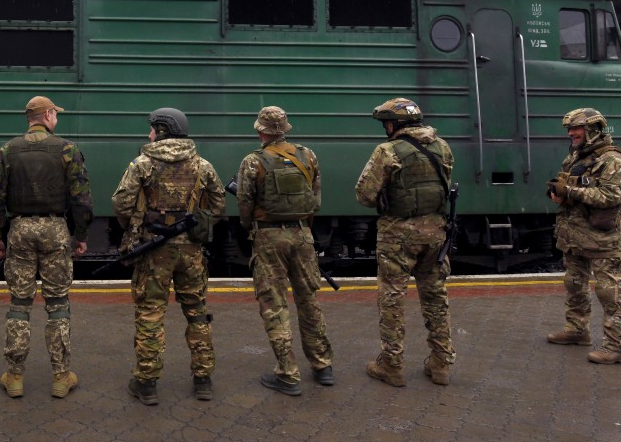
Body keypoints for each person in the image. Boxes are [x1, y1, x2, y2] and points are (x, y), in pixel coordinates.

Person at [112, 108, 225, 405]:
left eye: (152, 128)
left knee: (151, 314)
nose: (149, 133)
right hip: (192, 253)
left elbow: (122, 203)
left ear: (161, 130)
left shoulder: (141, 164)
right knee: (197, 312)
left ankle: (147, 384)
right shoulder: (203, 165)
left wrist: (137, 226)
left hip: (153, 250)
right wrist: (195, 225)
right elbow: (218, 206)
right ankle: (203, 381)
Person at [0, 96, 92, 399]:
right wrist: (81, 234)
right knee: (58, 304)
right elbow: (81, 198)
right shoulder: (67, 149)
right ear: (47, 115)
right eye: (54, 114)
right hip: (55, 229)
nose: (55, 118)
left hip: (19, 229)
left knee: (19, 304)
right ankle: (61, 377)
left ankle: (15, 376)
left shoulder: (8, 150)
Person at [355, 98, 456, 387]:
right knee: (436, 298)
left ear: (393, 125)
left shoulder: (387, 151)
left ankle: (392, 365)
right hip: (436, 232)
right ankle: (441, 363)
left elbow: (364, 195)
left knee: (392, 298)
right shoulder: (443, 147)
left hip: (398, 235)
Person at [234, 106, 334, 397]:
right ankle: (323, 365)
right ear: (285, 129)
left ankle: (288, 374)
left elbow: (244, 203)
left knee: (275, 304)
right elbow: (315, 198)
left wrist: (251, 227)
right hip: (302, 234)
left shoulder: (253, 161)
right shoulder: (307, 155)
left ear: (260, 130)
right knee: (309, 300)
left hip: (268, 237)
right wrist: (303, 225)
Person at [546, 107, 621, 364]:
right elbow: (569, 186)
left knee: (610, 292)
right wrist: (557, 192)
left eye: (577, 129)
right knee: (574, 284)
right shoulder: (575, 157)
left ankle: (616, 347)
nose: (571, 133)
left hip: (602, 239)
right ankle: (577, 330)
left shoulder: (613, 160)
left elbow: (611, 196)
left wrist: (571, 193)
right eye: (570, 129)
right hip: (575, 236)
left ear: (593, 130)